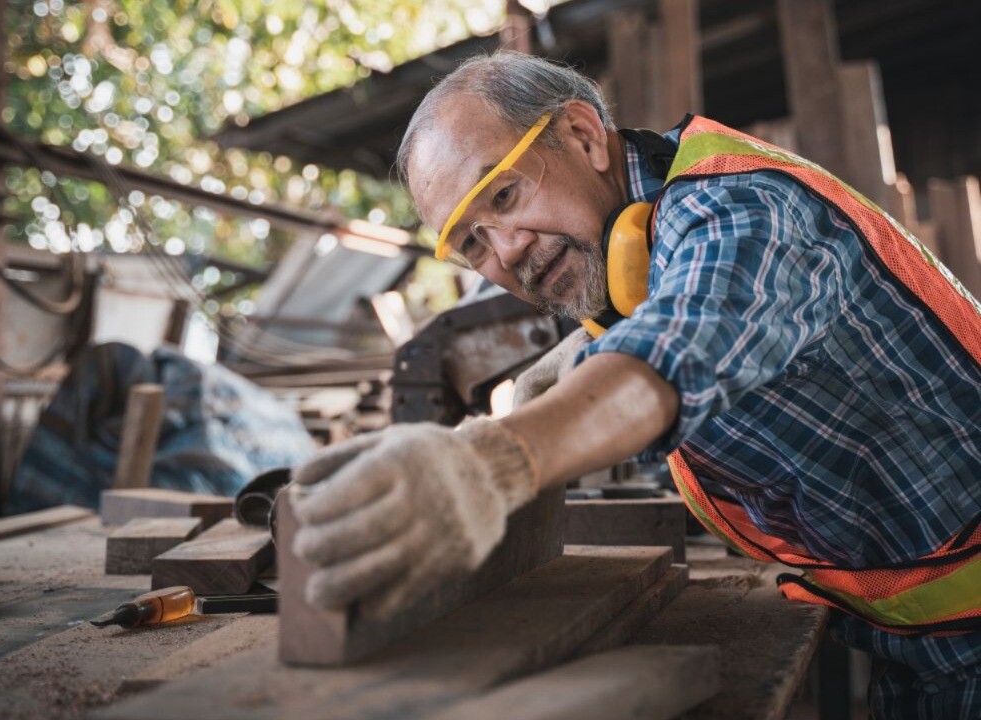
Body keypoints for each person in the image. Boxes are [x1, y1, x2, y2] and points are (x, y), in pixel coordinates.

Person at [286, 51, 980, 718]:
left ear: (584, 135)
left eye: (504, 193)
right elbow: (639, 336)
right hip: (925, 647)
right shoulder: (638, 256)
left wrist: (494, 462)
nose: (507, 251)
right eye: (472, 243)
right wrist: (547, 390)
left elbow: (681, 344)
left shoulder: (741, 208)